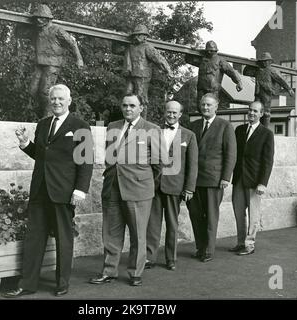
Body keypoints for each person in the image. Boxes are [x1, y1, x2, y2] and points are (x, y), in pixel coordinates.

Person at [4, 84, 93, 297]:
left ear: (69, 101)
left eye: (61, 99)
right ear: (49, 100)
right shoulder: (43, 124)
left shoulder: (80, 126)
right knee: (34, 238)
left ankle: (62, 283)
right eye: (53, 99)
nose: (57, 102)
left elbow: (86, 162)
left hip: (63, 192)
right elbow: (41, 156)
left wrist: (80, 190)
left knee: (64, 239)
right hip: (40, 191)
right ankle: (27, 284)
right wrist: (25, 143)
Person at [89, 94, 161, 286]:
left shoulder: (152, 129)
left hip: (138, 190)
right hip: (113, 187)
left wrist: (141, 181)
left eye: (132, 105)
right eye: (124, 105)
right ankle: (108, 271)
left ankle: (135, 273)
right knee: (111, 233)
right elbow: (110, 157)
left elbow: (158, 165)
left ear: (141, 108)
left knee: (138, 234)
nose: (127, 108)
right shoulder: (113, 126)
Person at [145, 101, 198, 271]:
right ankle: (150, 258)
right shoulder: (153, 132)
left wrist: (189, 188)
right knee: (152, 224)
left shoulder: (189, 135)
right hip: (154, 185)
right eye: (169, 112)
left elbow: (193, 164)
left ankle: (170, 258)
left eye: (175, 113)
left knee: (172, 224)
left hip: (175, 186)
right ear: (164, 112)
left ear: (180, 114)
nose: (171, 115)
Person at [187, 93, 237, 262]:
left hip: (213, 179)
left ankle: (208, 250)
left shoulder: (225, 126)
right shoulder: (193, 126)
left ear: (216, 106)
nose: (205, 107)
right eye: (203, 104)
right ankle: (200, 247)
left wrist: (226, 177)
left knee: (210, 215)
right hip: (193, 180)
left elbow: (231, 154)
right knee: (195, 214)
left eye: (209, 105)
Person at [15, 4, 84, 117]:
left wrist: (79, 59)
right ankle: (44, 111)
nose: (38, 20)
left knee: (45, 91)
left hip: (52, 64)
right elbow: (19, 34)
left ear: (48, 19)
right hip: (39, 64)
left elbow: (72, 43)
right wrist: (20, 21)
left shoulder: (57, 30)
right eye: (37, 18)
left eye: (41, 18)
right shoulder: (36, 31)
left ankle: (48, 116)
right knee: (32, 90)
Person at [230, 101, 274, 255]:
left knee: (253, 214)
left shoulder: (266, 134)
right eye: (250, 110)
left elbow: (268, 161)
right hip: (238, 179)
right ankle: (240, 242)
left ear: (261, 114)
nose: (251, 113)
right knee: (238, 212)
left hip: (255, 181)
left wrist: (263, 183)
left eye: (255, 111)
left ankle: (249, 245)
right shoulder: (239, 130)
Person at [122, 24, 173, 112]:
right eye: (143, 35)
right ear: (136, 35)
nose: (145, 38)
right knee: (127, 96)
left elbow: (159, 59)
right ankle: (129, 118)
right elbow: (116, 50)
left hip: (142, 76)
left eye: (145, 36)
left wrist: (168, 70)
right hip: (131, 75)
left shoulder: (147, 47)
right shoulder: (130, 47)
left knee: (141, 98)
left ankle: (142, 122)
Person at [184, 40, 243, 112]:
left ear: (215, 51)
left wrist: (238, 81)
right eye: (208, 50)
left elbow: (231, 71)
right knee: (200, 107)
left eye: (212, 51)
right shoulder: (202, 59)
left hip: (213, 90)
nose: (209, 52)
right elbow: (189, 60)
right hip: (201, 89)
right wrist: (189, 50)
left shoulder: (220, 60)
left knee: (212, 108)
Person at [243, 52, 294, 127]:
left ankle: (265, 129)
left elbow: (281, 80)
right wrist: (249, 65)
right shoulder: (257, 70)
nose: (264, 63)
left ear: (269, 61)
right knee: (255, 110)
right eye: (262, 61)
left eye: (266, 61)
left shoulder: (272, 70)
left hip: (266, 93)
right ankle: (256, 127)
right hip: (258, 92)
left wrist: (289, 89)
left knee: (266, 112)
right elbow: (246, 73)